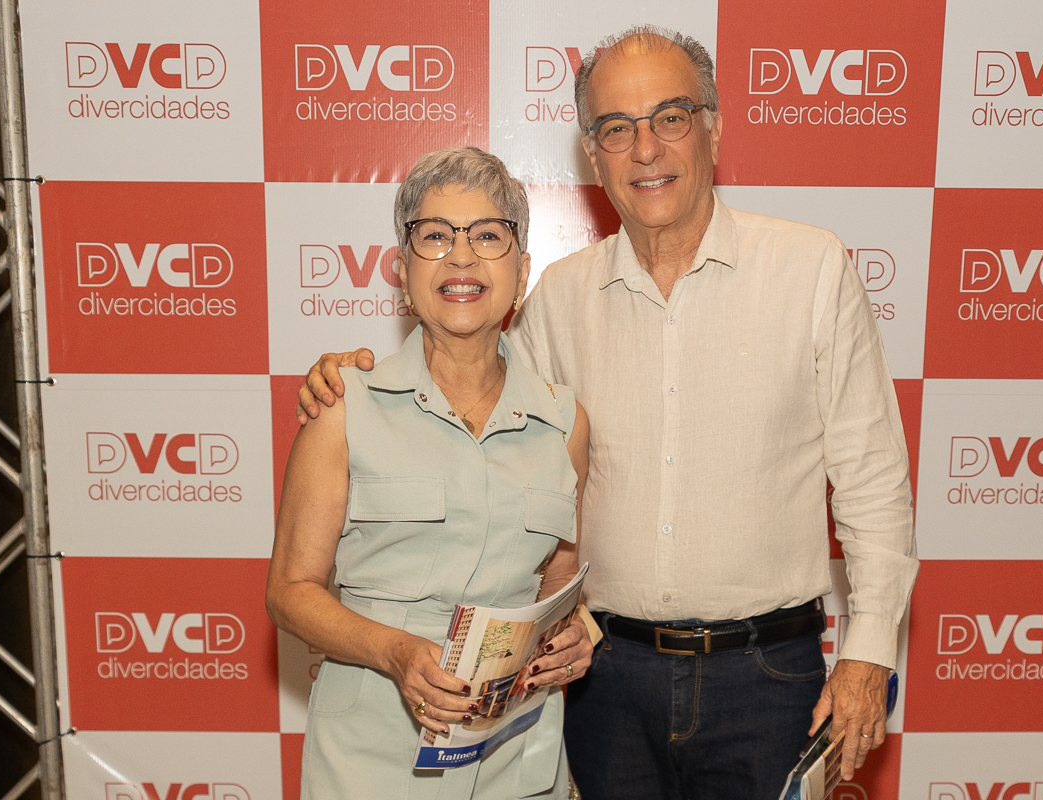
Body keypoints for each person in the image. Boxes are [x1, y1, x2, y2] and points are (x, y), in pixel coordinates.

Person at [297, 27, 918, 800]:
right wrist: (351, 371)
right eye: (616, 128)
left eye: (670, 117)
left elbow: (872, 477)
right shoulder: (558, 296)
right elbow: (465, 386)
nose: (646, 149)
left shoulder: (811, 268)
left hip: (766, 680)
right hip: (601, 682)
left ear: (714, 128)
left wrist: (869, 652)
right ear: (592, 154)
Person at [267, 147, 593, 800]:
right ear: (402, 269)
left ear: (522, 271)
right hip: (372, 761)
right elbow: (289, 591)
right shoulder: (344, 407)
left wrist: (577, 634)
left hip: (514, 761)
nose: (462, 257)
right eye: (436, 236)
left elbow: (558, 590)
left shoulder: (565, 423)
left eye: (489, 236)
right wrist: (394, 651)